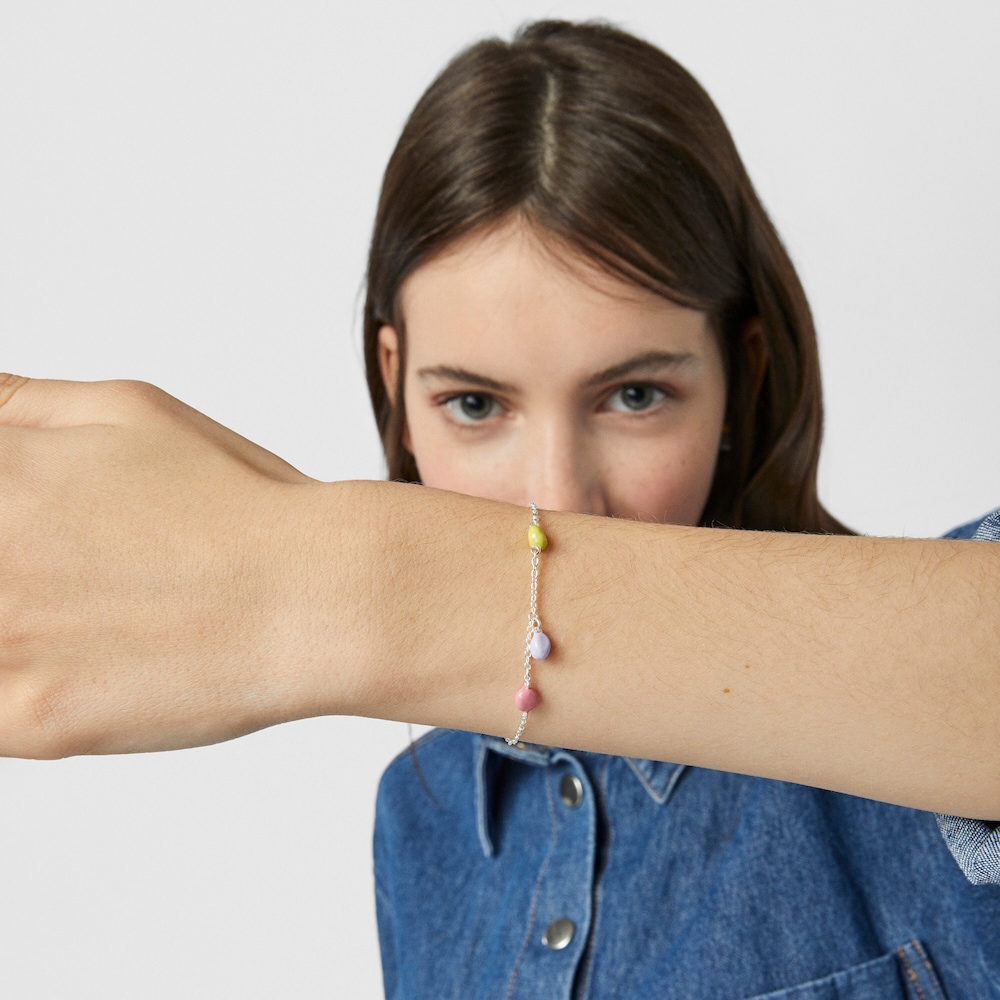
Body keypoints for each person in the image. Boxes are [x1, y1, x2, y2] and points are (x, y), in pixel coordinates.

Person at [0, 17, 997, 1000]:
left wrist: (332, 578)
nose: (557, 496)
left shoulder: (924, 732)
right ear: (395, 380)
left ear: (740, 371)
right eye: (474, 405)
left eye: (634, 395)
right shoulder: (421, 815)